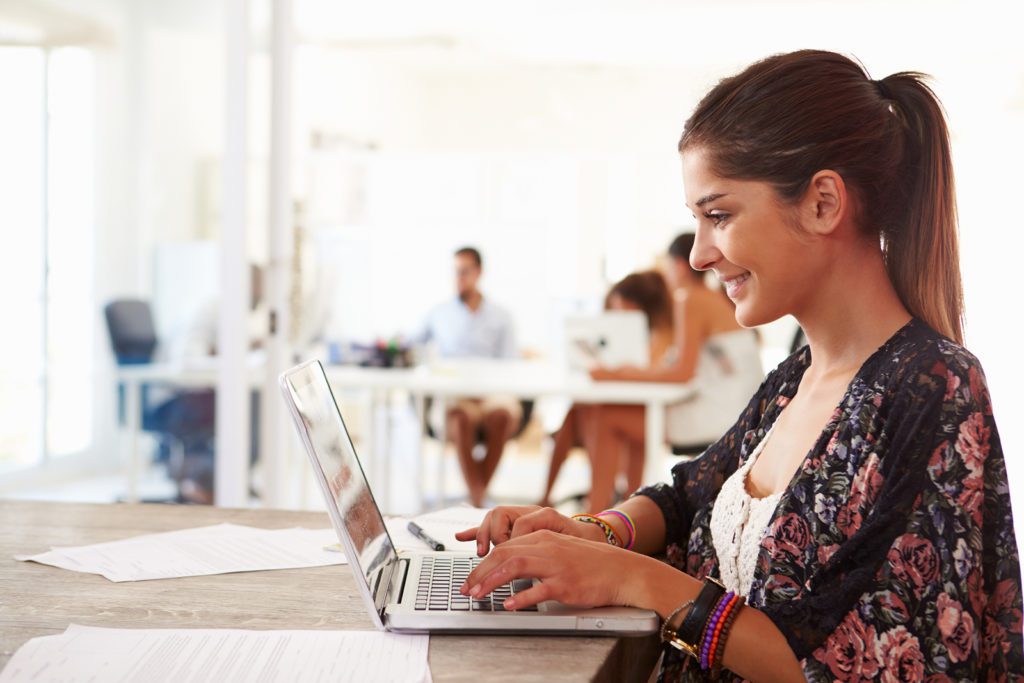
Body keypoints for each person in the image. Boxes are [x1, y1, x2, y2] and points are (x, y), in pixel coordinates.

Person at [455, 50, 1022, 681]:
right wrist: (590, 531)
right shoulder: (796, 378)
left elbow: (860, 660)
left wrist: (633, 578)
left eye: (718, 216)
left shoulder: (933, 388)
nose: (699, 255)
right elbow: (687, 496)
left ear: (823, 204)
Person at [541, 236, 763, 511]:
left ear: (680, 266)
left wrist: (618, 375)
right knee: (615, 414)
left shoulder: (690, 299)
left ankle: (598, 513)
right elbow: (686, 368)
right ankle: (625, 507)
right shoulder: (713, 297)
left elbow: (681, 373)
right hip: (740, 411)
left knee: (607, 416)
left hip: (721, 416)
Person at [539, 270, 675, 508]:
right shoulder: (634, 334)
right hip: (631, 406)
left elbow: (650, 372)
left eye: (622, 307)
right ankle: (567, 498)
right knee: (579, 411)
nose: (617, 314)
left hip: (654, 414)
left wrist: (613, 372)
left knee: (598, 415)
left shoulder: (662, 333)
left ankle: (599, 503)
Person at [416, 247, 520, 507]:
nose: (459, 278)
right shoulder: (438, 314)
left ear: (479, 273)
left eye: (465, 272)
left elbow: (511, 364)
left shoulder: (501, 316)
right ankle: (478, 498)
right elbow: (413, 348)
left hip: (492, 395)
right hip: (456, 397)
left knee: (501, 416)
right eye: (455, 272)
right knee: (460, 418)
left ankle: (477, 495)